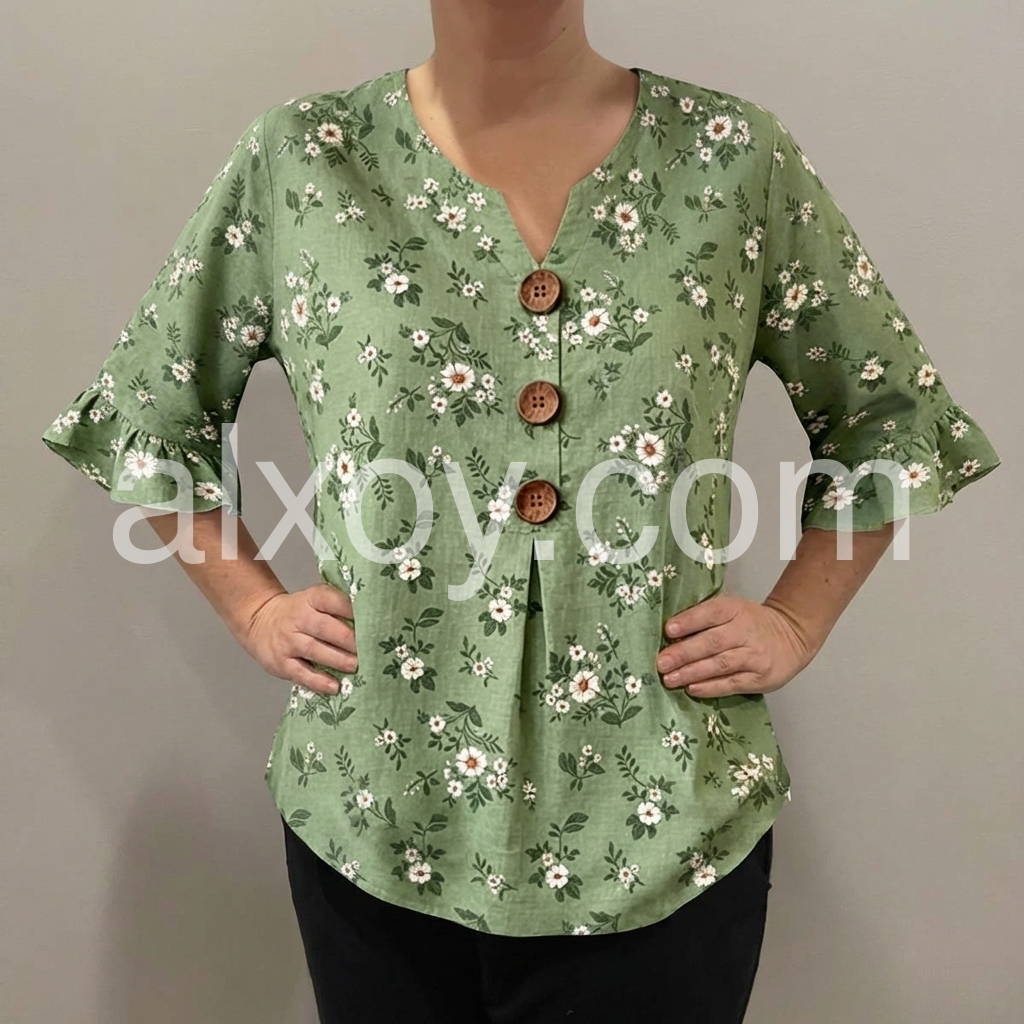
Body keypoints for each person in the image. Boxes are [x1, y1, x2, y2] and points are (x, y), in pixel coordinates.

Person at [40, 1, 1001, 1022]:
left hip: (664, 823)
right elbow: (151, 411)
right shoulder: (303, 163)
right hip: (376, 811)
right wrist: (252, 606)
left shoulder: (733, 161)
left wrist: (797, 618)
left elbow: (888, 415)